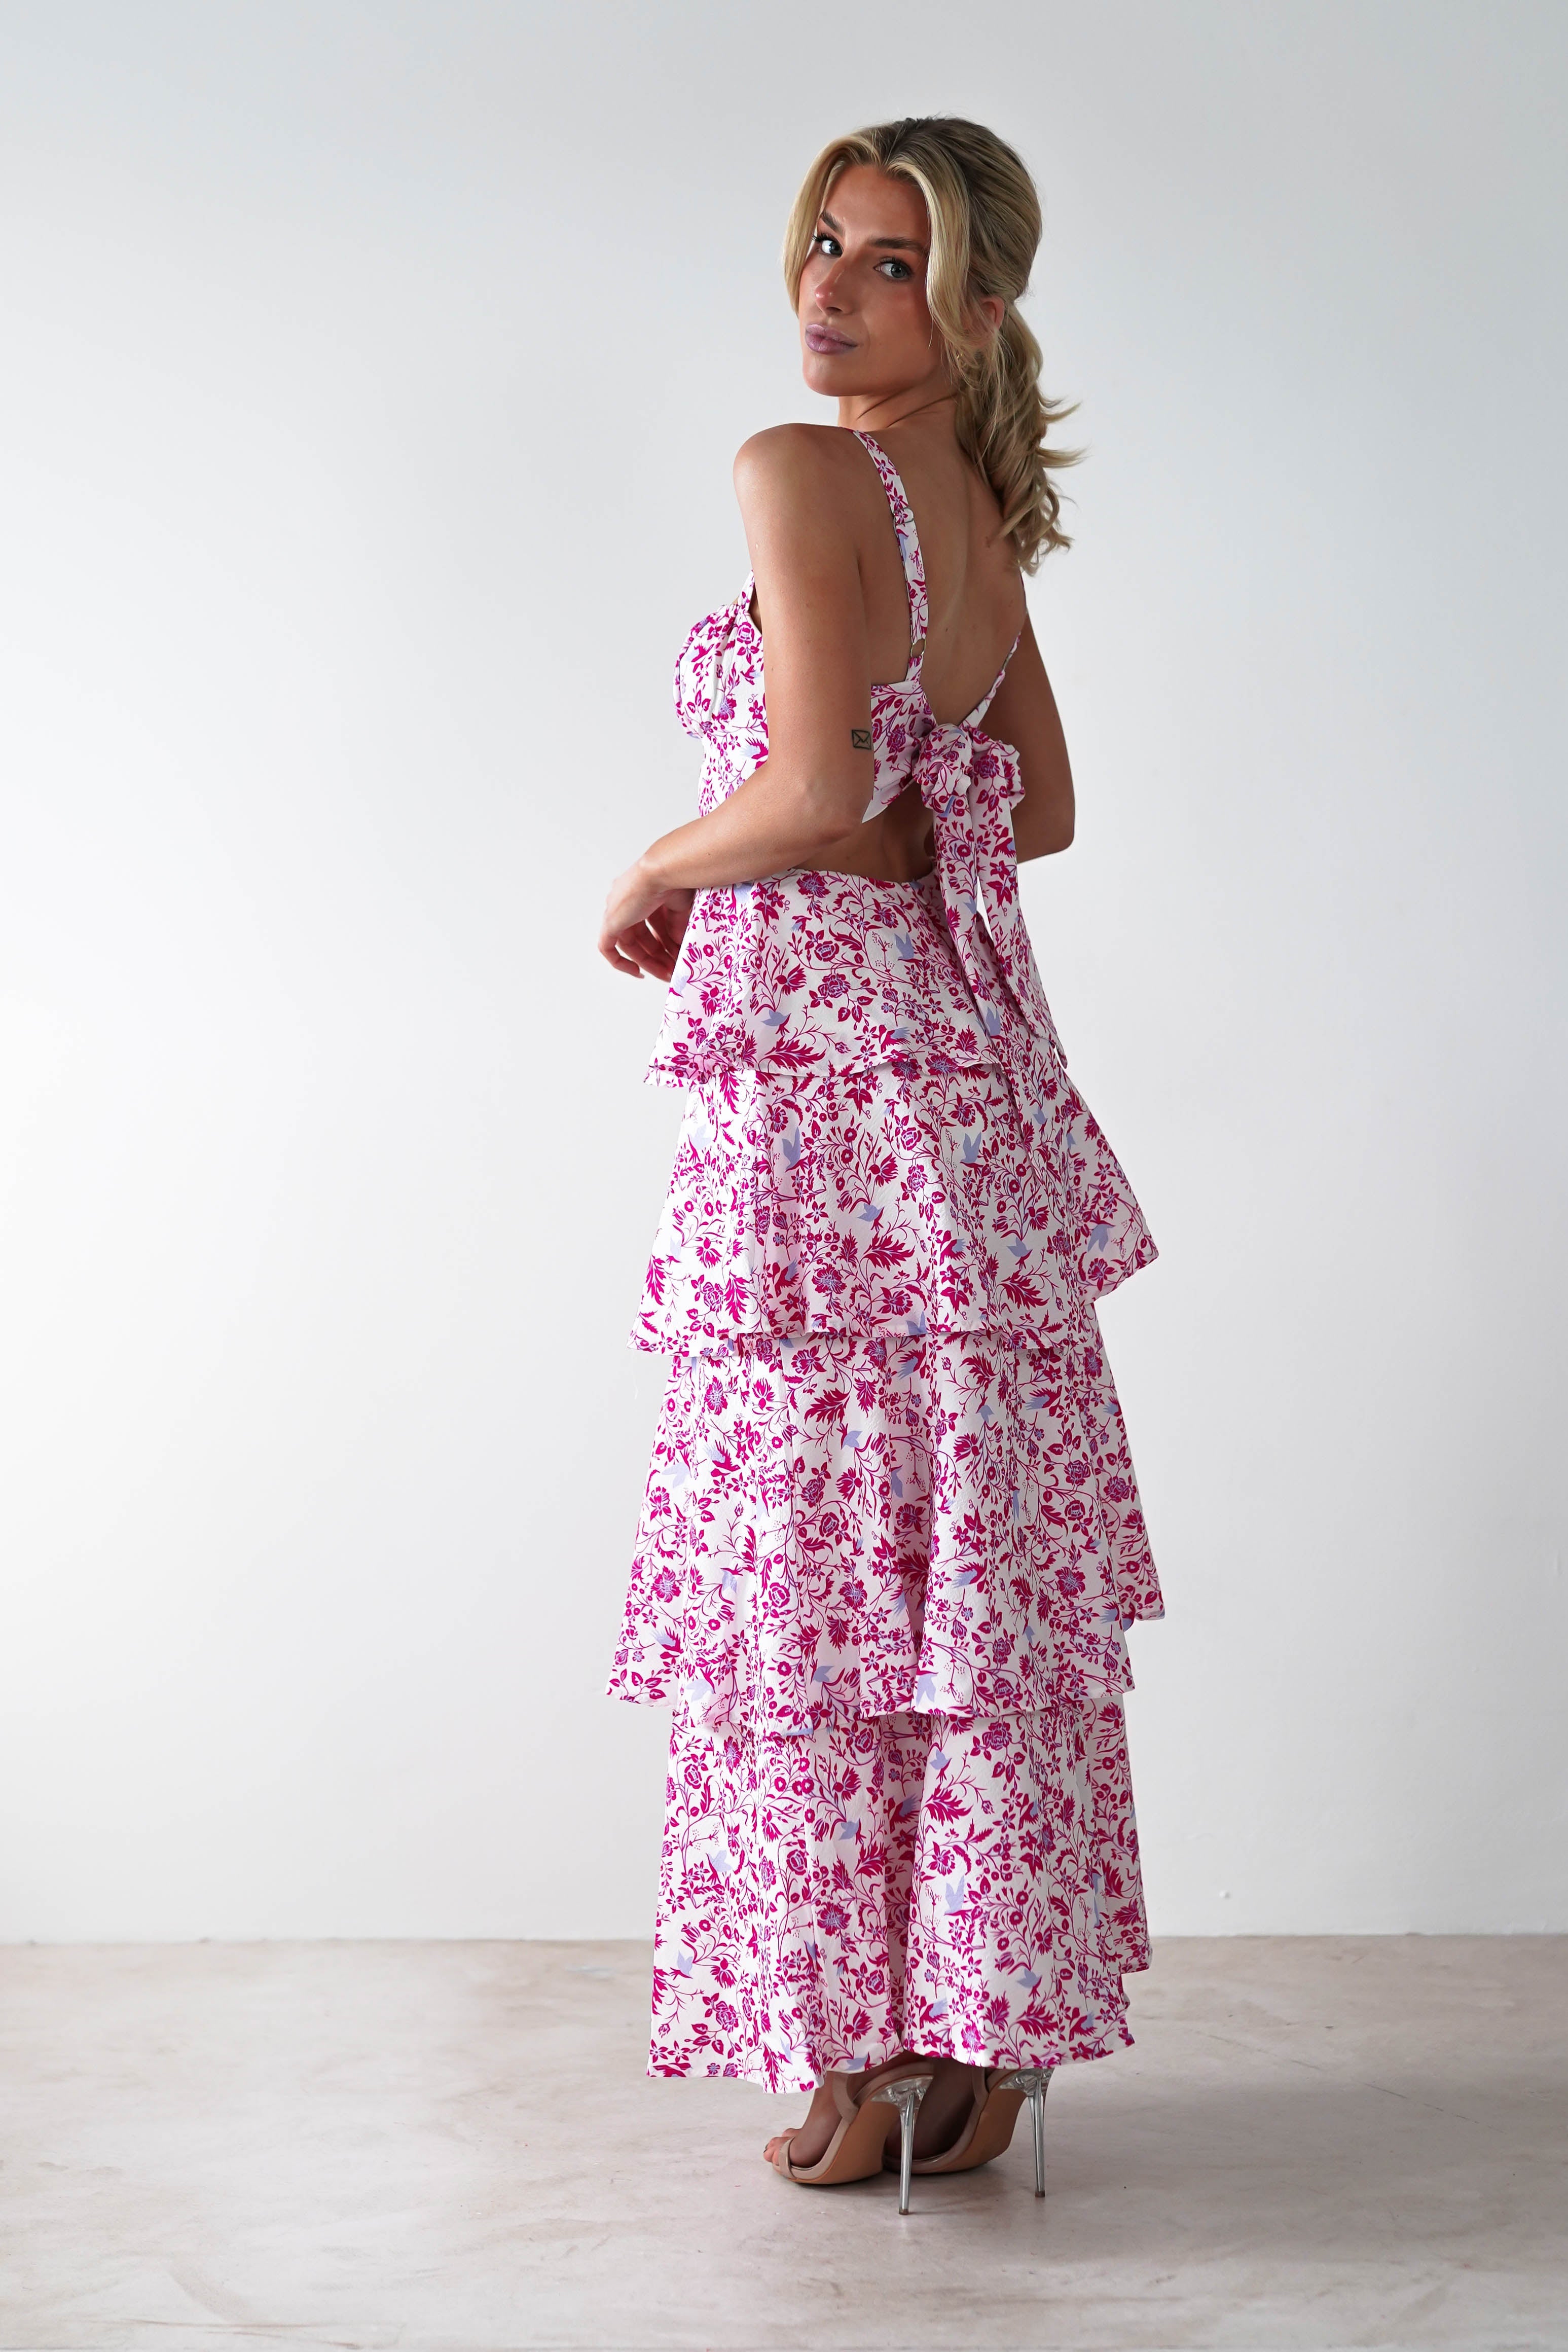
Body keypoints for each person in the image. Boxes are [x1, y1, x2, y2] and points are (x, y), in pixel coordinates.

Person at [599, 115, 1162, 2208]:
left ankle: (861, 2043)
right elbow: (1034, 803)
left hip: (829, 1120)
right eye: (821, 245)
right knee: (952, 1576)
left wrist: (664, 853)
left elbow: (822, 778)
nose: (831, 288)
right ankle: (950, 2043)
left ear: (986, 303)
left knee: (823, 1568)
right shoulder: (976, 505)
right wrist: (884, 824)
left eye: (892, 261)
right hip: (962, 1111)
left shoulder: (804, 468)